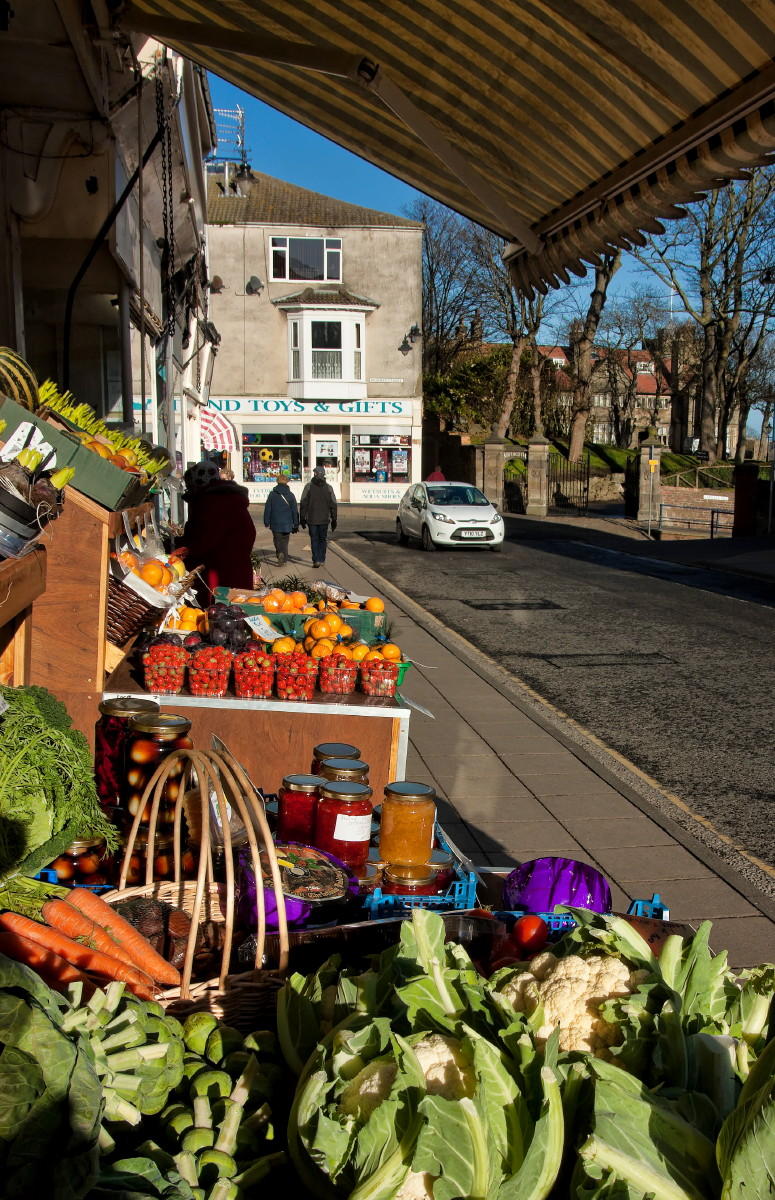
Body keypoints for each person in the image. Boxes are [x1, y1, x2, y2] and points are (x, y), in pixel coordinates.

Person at [178, 459, 255, 605]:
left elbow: (204, 542)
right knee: (238, 613)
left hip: (219, 575)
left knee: (221, 616)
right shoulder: (231, 500)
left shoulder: (211, 503)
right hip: (238, 568)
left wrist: (187, 551)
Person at [300, 466, 337, 568]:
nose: (314, 474)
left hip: (312, 518)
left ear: (317, 474)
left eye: (315, 473)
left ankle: (316, 559)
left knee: (314, 539)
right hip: (324, 519)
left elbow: (303, 503)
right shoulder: (329, 488)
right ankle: (321, 559)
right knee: (322, 539)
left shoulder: (308, 487)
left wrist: (302, 518)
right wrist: (334, 519)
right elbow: (333, 504)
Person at [263, 472, 299, 565]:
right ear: (286, 482)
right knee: (285, 541)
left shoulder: (272, 494)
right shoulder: (290, 495)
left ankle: (280, 553)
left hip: (275, 522)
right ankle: (284, 558)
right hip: (287, 522)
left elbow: (268, 508)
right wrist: (296, 523)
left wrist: (266, 521)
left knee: (277, 539)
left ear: (277, 482)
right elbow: (294, 511)